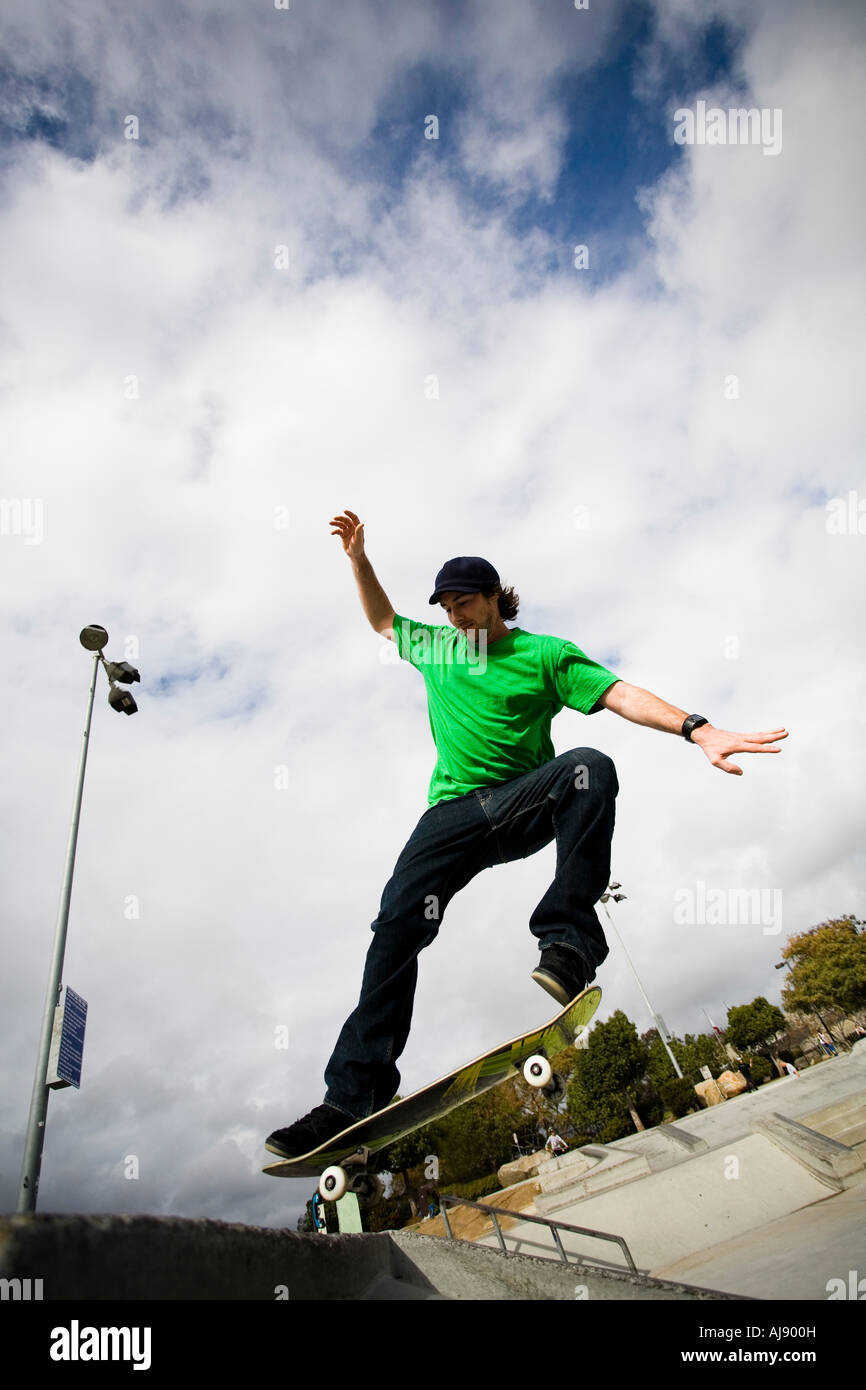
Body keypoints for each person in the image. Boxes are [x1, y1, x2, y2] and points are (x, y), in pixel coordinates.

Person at [265, 510, 788, 1159]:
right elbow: (381, 620)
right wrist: (359, 561)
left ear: (495, 599)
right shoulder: (434, 648)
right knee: (396, 923)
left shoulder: (544, 654)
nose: (456, 619)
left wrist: (698, 729)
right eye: (448, 609)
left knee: (589, 768)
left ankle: (569, 943)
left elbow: (620, 694)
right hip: (451, 815)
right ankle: (349, 1098)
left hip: (521, 805)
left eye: (466, 605)